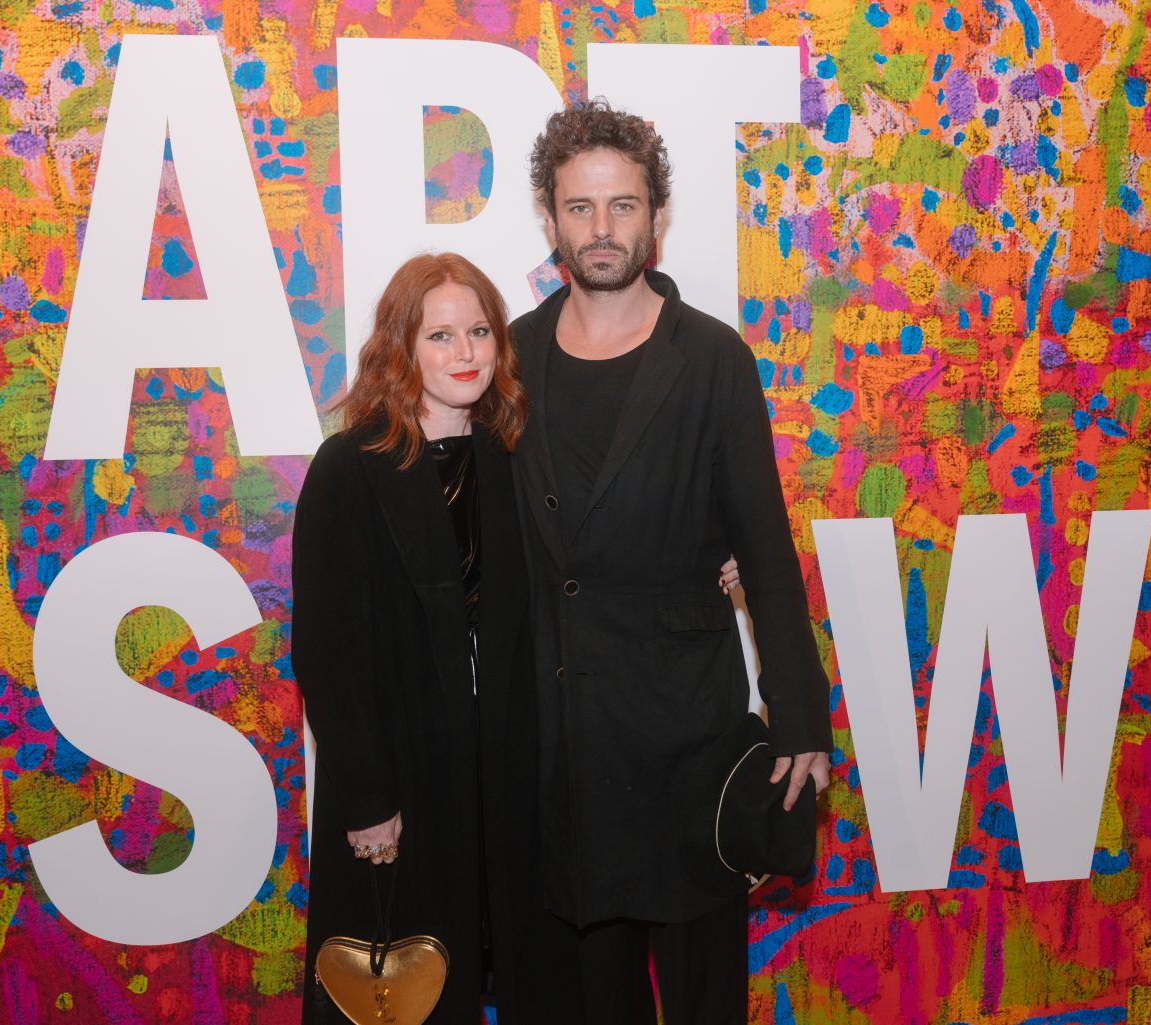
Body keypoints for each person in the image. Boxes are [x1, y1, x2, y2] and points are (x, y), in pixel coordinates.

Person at [510, 100, 834, 1025]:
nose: (601, 229)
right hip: (565, 749)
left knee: (702, 1002)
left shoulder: (713, 359)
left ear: (656, 214)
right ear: (550, 218)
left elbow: (763, 545)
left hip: (686, 738)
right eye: (580, 207)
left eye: (623, 205)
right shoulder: (514, 354)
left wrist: (801, 719)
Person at [291, 252, 544, 1025]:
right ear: (401, 346)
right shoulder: (350, 467)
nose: (466, 352)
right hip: (399, 787)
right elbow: (328, 653)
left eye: (480, 331)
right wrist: (367, 798)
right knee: (407, 998)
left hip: (506, 779)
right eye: (440, 335)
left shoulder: (516, 456)